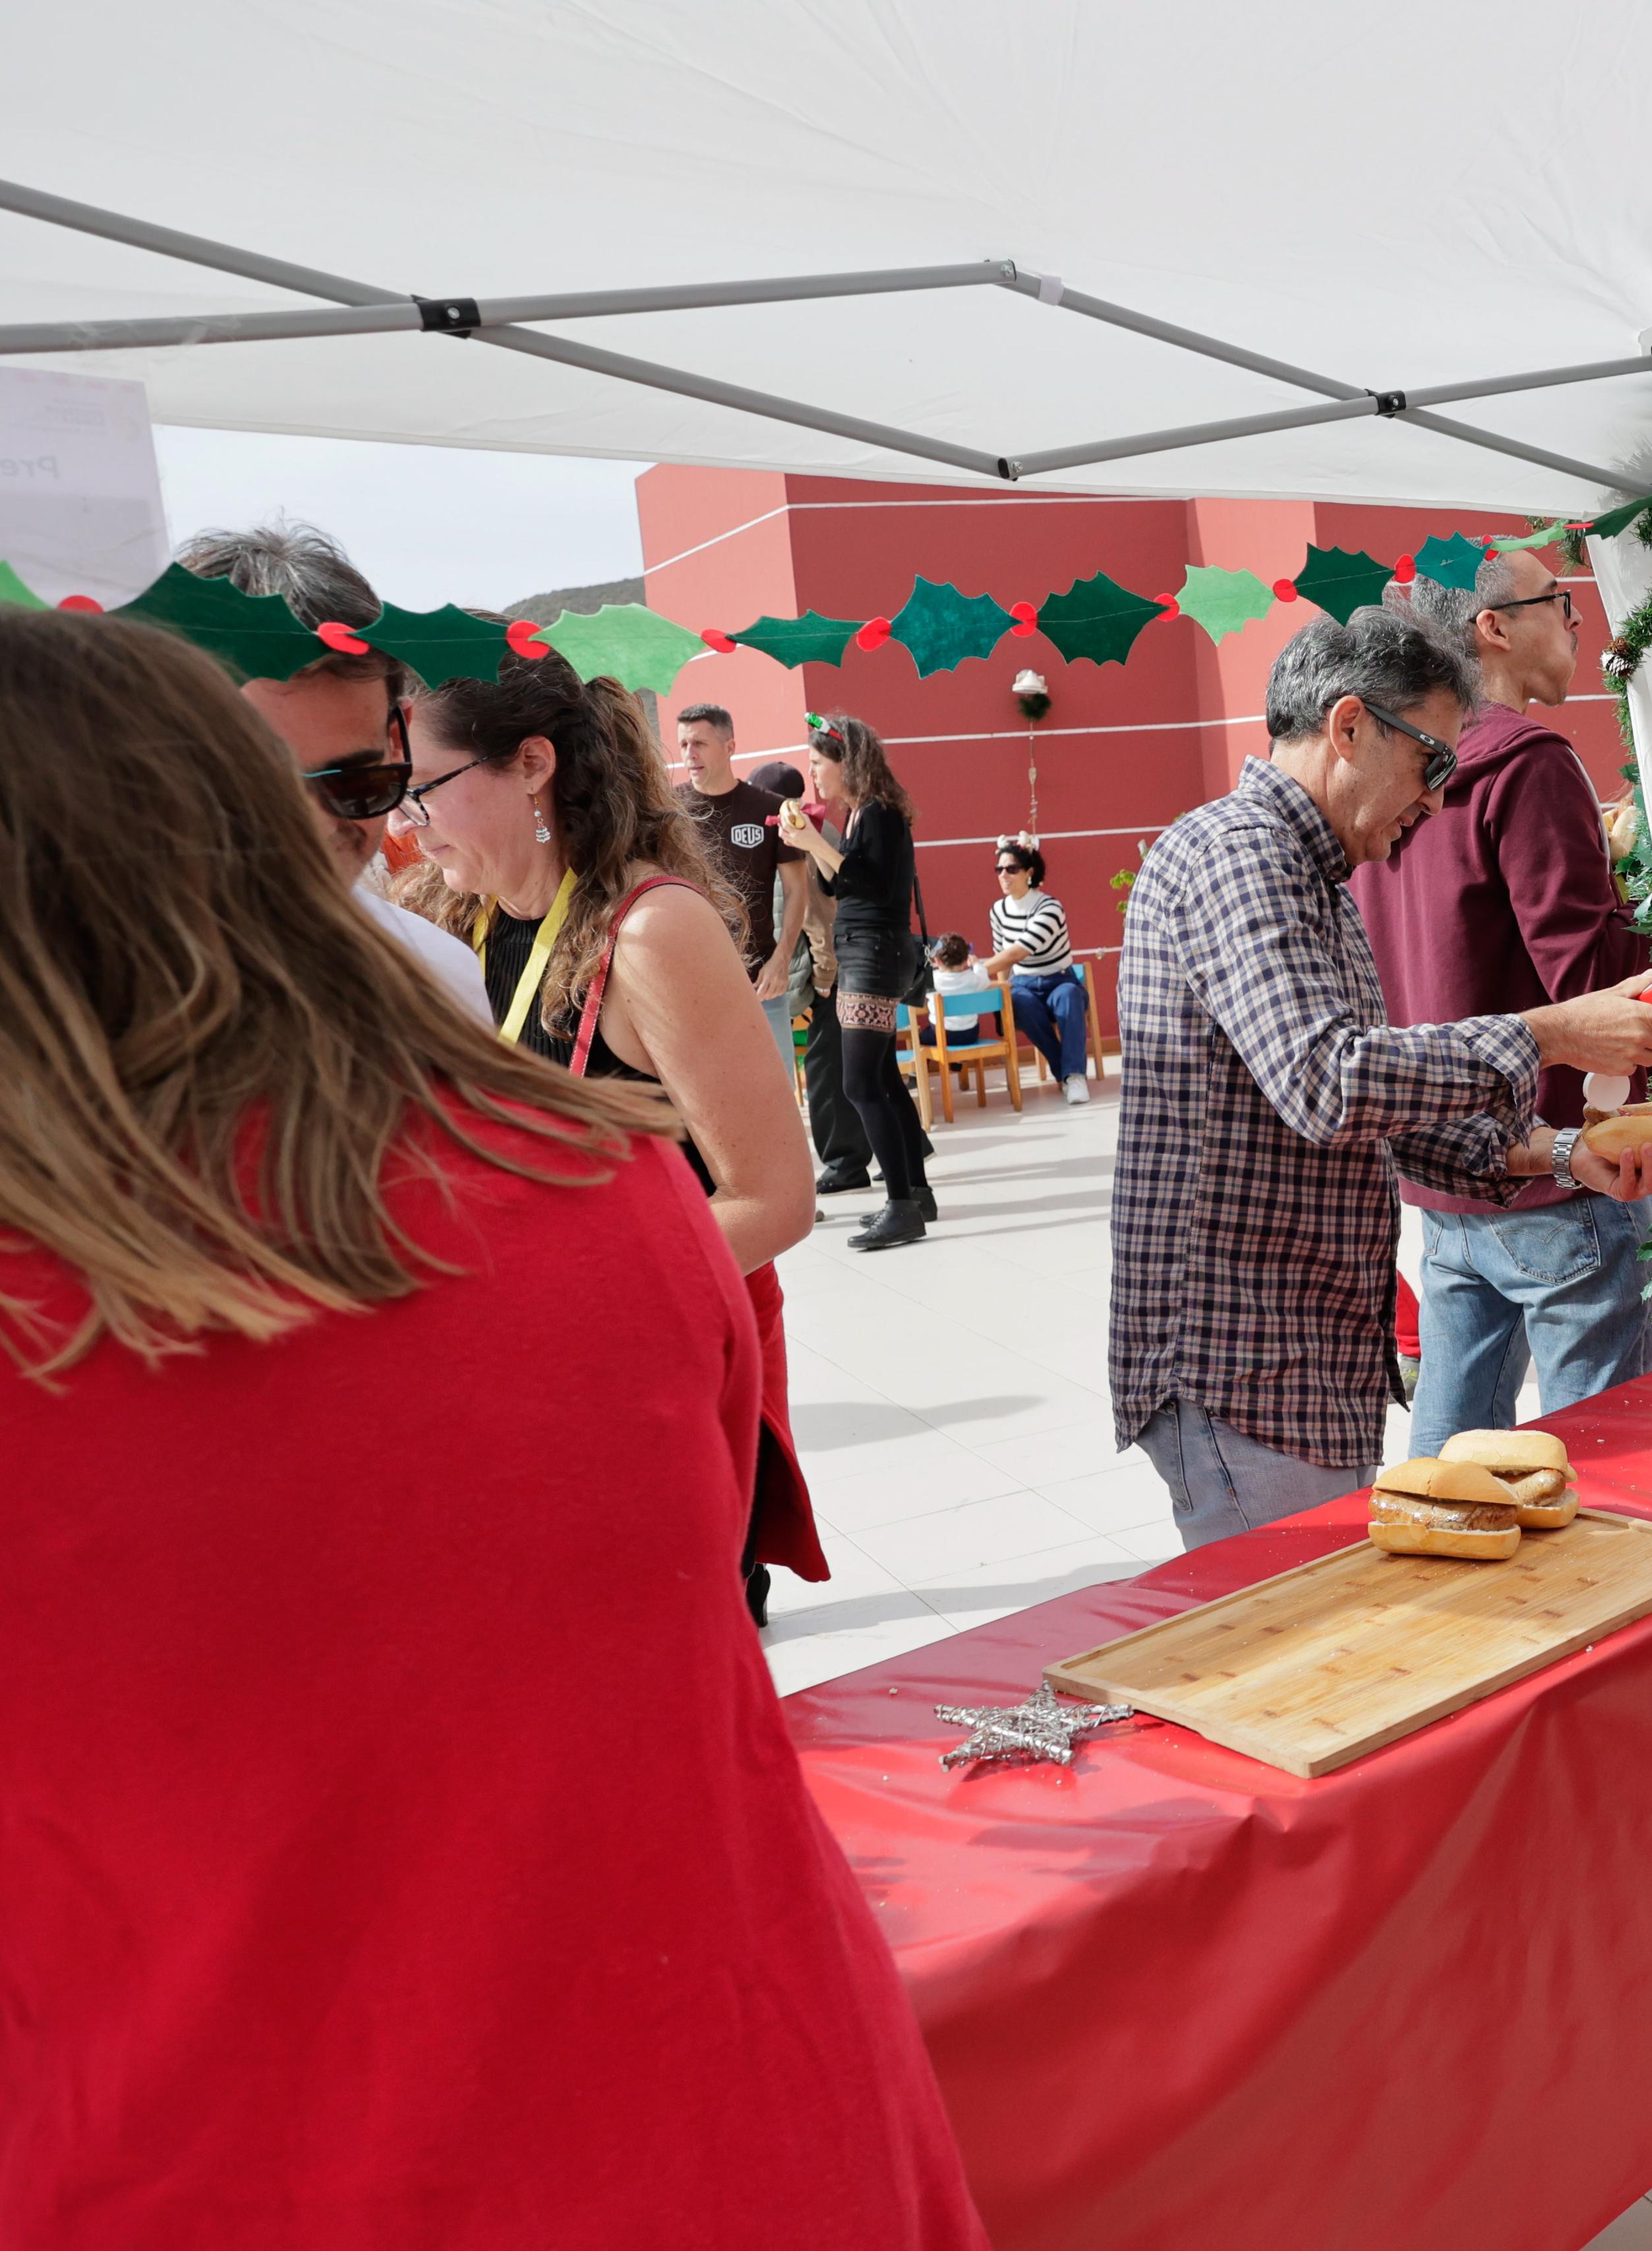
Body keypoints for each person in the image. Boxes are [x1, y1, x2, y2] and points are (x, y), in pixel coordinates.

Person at [0, 606, 986, 2250]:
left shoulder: (631, 989)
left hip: (247, 2156)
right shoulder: (582, 1176)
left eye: (398, 772)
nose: (400, 813)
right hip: (742, 2115)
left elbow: (766, 1194)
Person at [1108, 608, 1652, 1548]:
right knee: (1297, 1652)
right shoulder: (1241, 856)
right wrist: (1552, 1031)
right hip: (1247, 1361)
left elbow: (1375, 1114)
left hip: (1302, 1356)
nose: (1438, 800)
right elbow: (1330, 1083)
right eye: (1434, 763)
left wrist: (1565, 1153)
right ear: (1349, 727)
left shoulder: (1318, 872)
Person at [392, 645, 825, 1622]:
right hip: (530, 1393)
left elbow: (774, 1196)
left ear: (533, 764)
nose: (401, 825)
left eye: (424, 792)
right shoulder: (448, 917)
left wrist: (552, 1288)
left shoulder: (650, 930)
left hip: (652, 1392)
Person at [1355, 546, 1652, 1457]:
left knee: (1453, 1450)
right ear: (1493, 628)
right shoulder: (1529, 763)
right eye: (1559, 603)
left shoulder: (1402, 769)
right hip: (1556, 1160)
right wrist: (1649, 897)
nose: (1576, 623)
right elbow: (1589, 979)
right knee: (1605, 1452)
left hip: (1442, 1159)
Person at [172, 522, 487, 1017]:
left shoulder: (438, 979)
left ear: (395, 738)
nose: (317, 827)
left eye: (354, 783)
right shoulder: (63, 997)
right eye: (262, 788)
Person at [779, 715, 935, 1250]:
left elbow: (865, 883)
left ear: (847, 764)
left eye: (819, 764)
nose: (815, 775)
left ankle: (900, 1206)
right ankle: (915, 1193)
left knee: (860, 1085)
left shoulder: (881, 815)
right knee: (884, 1079)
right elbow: (839, 879)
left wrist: (815, 844)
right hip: (866, 952)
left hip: (872, 954)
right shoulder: (864, 814)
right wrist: (809, 842)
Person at [758, 754, 883, 1193]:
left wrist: (826, 976)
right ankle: (906, 1143)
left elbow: (817, 913)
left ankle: (846, 1164)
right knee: (862, 1063)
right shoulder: (815, 829)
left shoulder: (799, 836)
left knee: (827, 1067)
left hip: (830, 968)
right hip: (838, 962)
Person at [672, 702, 806, 1077]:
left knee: (777, 1091)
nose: (689, 754)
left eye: (699, 743)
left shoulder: (770, 809)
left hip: (761, 985)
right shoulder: (668, 812)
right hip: (693, 986)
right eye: (683, 744)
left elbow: (797, 890)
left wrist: (783, 958)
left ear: (730, 747)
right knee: (707, 1098)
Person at [983, 839, 1091, 1104]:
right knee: (1018, 1000)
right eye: (999, 870)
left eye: (1011, 869)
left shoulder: (1050, 908)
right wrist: (1003, 996)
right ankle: (1066, 1073)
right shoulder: (997, 911)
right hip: (1023, 984)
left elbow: (1018, 952)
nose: (1003, 875)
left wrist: (973, 970)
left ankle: (1075, 1077)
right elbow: (1002, 959)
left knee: (1069, 998)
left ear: (1029, 872)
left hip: (1059, 981)